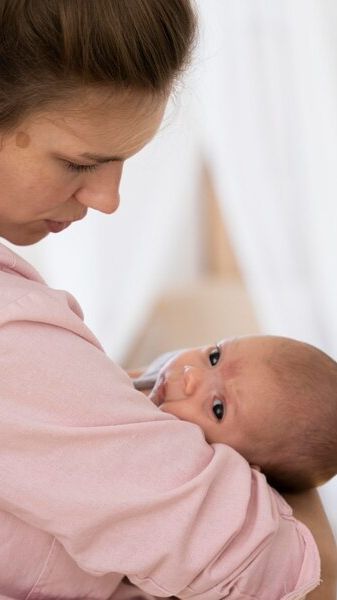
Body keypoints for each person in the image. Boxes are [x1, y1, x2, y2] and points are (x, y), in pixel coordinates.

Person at [0, 2, 335, 599]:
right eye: (79, 161)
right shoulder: (15, 333)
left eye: (123, 162)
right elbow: (304, 579)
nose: (109, 200)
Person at [133, 335, 337, 492]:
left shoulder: (174, 468)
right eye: (214, 357)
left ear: (240, 468)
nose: (191, 374)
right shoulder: (163, 373)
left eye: (218, 408)